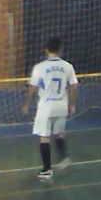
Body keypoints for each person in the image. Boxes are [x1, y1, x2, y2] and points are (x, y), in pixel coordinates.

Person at [22, 37, 78, 181]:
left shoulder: (39, 67)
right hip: (62, 105)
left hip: (46, 107)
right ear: (60, 50)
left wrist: (27, 103)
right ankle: (64, 159)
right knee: (59, 134)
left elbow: (33, 88)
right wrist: (72, 105)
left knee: (44, 137)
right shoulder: (68, 66)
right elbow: (73, 87)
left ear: (46, 50)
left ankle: (46, 170)